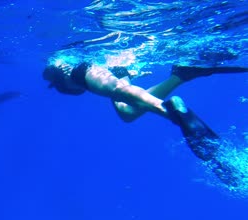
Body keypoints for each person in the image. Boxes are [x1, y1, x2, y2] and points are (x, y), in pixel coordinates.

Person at [43, 59, 248, 186]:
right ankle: (180, 77)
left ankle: (173, 112)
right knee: (127, 112)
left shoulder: (68, 70)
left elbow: (52, 66)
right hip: (108, 67)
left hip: (84, 68)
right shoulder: (77, 74)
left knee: (120, 92)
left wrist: (56, 69)